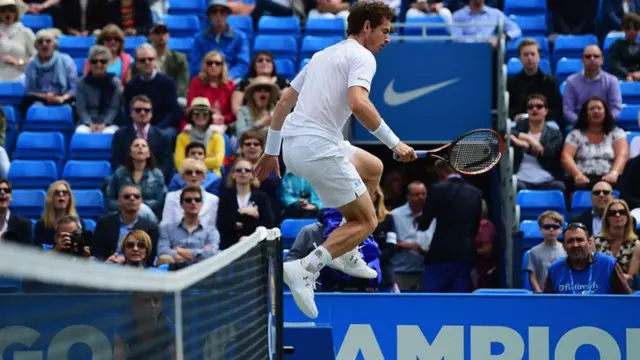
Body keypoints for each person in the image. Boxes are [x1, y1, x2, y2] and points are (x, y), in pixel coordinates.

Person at [254, 1, 416, 319]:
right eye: (384, 31)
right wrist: (395, 144)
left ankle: (347, 247)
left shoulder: (321, 55)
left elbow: (285, 100)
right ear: (366, 28)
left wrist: (272, 150)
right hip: (318, 149)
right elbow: (358, 103)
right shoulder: (362, 57)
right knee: (367, 221)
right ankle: (305, 267)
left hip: (296, 146)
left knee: (373, 167)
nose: (387, 38)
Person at [544, 222, 632, 294]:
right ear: (564, 246)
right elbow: (547, 304)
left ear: (589, 242)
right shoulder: (555, 269)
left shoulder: (609, 265)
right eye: (570, 241)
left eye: (579, 240)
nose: (575, 245)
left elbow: (626, 301)